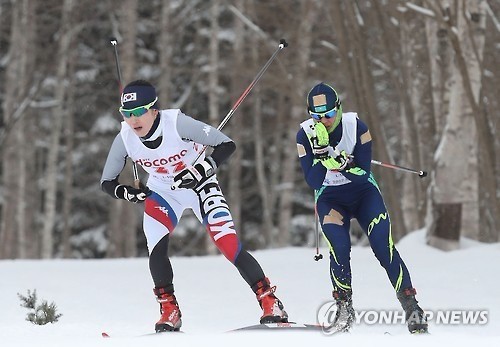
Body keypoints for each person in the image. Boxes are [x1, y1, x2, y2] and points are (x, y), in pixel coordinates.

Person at [100, 80, 288, 332]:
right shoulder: (125, 137)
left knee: (228, 244)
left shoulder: (176, 123)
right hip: (164, 192)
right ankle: (169, 309)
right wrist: (126, 193)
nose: (133, 120)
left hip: (200, 187)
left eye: (139, 112)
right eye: (127, 113)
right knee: (156, 247)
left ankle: (270, 301)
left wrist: (203, 168)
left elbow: (226, 144)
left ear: (154, 110)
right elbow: (107, 182)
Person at [296, 82, 428, 334]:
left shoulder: (356, 127)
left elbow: (362, 173)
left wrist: (343, 164)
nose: (323, 121)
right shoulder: (305, 134)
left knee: (383, 247)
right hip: (330, 198)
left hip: (363, 193)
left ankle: (412, 306)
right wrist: (323, 156)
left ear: (339, 108)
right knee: (339, 246)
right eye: (316, 116)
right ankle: (344, 308)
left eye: (328, 115)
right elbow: (313, 181)